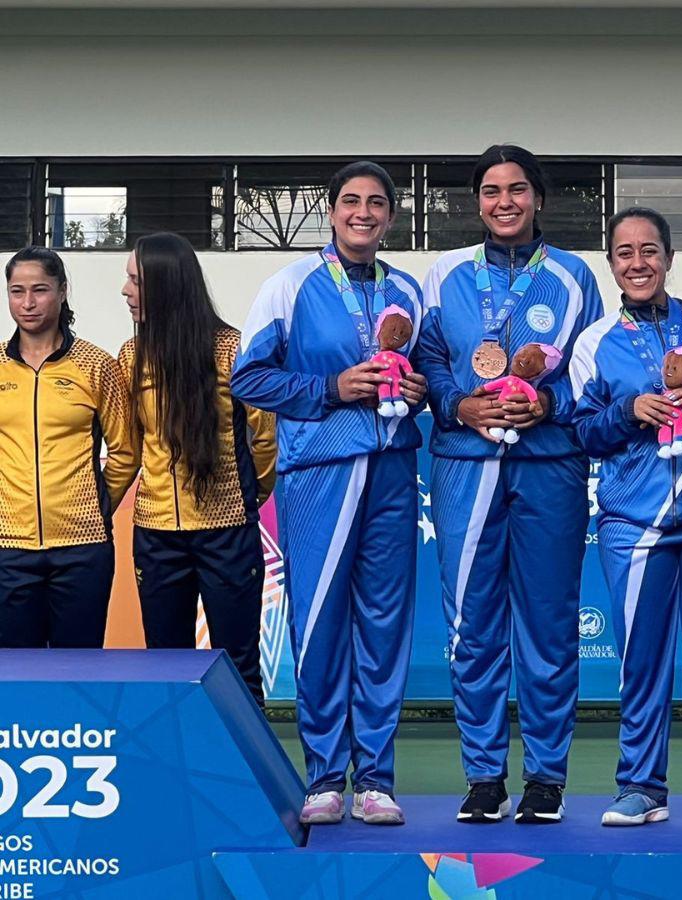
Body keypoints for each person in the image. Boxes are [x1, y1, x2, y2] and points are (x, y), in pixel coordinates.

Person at [231, 161, 427, 826]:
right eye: (350, 201)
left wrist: (417, 389)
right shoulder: (289, 285)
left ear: (391, 216)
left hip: (393, 470)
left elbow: (423, 373)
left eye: (376, 203)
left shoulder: (407, 290)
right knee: (318, 620)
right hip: (319, 470)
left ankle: (375, 778)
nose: (362, 213)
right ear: (331, 210)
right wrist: (330, 389)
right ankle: (323, 776)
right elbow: (248, 378)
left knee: (384, 622)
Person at [418, 144, 603, 825]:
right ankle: (484, 776)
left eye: (517, 189)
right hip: (466, 463)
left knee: (550, 623)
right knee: (472, 624)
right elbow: (429, 359)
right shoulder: (444, 274)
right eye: (492, 191)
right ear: (477, 202)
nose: (505, 202)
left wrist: (549, 404)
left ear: (539, 198)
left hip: (550, 465)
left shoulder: (575, 276)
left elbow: (593, 370)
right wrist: (458, 406)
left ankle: (546, 778)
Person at [571, 208, 682, 829]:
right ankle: (642, 786)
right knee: (640, 662)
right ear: (611, 265)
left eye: (649, 250)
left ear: (670, 259)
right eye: (625, 253)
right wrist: (628, 411)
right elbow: (582, 433)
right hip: (632, 525)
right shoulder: (594, 342)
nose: (638, 263)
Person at [118, 231, 277, 705]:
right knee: (166, 665)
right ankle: (175, 752)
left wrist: (245, 497)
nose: (125, 291)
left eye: (135, 281)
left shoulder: (232, 349)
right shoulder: (131, 356)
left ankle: (243, 753)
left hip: (226, 533)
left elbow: (265, 439)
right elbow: (130, 446)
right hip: (156, 534)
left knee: (237, 664)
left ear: (166, 284)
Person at [0, 247, 136, 647]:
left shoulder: (96, 364)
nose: (28, 303)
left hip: (82, 549)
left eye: (39, 290)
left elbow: (126, 451)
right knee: (14, 669)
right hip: (8, 547)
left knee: (78, 668)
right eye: (17, 291)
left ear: (62, 292)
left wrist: (96, 505)